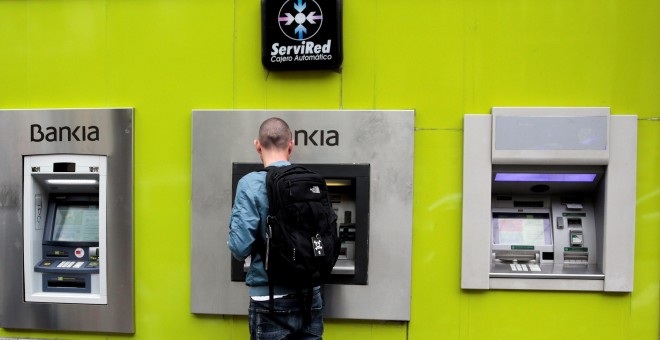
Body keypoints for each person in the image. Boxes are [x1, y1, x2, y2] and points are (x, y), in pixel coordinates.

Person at [228, 117, 324, 340]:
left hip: (270, 299)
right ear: (291, 145)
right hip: (312, 297)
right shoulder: (311, 182)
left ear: (257, 146)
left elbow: (239, 248)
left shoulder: (250, 184)